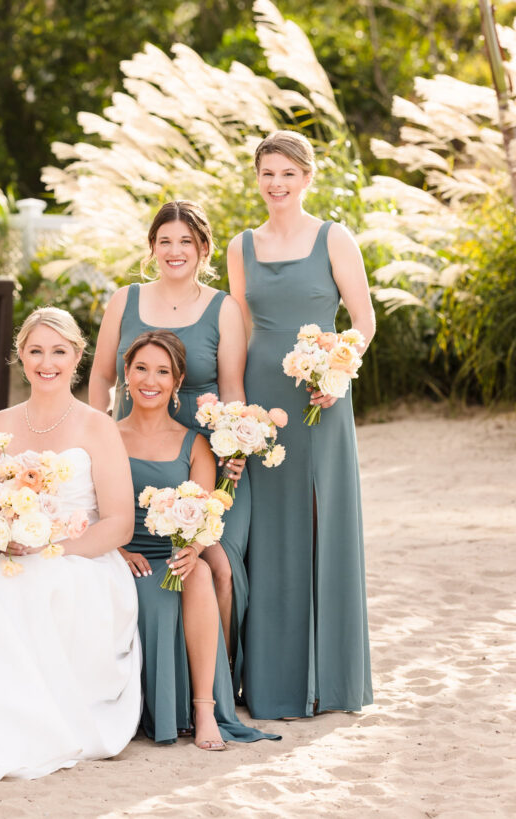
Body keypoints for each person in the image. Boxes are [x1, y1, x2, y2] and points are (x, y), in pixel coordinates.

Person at [0, 307, 142, 780]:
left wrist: (52, 547)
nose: (47, 362)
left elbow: (120, 525)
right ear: (20, 357)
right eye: (36, 351)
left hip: (80, 556)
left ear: (77, 357)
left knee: (32, 580)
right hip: (12, 549)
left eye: (59, 352)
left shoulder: (97, 425)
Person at [227, 130, 375, 719]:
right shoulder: (242, 245)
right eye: (267, 173)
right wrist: (237, 411)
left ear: (308, 178)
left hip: (323, 401)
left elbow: (361, 319)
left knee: (321, 523)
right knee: (268, 533)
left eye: (288, 173)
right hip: (261, 399)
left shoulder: (334, 237)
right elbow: (236, 328)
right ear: (257, 178)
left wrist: (336, 370)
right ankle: (272, 684)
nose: (277, 184)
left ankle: (331, 683)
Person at [90, 201, 250, 689]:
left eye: (187, 242)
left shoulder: (224, 308)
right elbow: (99, 378)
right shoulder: (125, 300)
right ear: (151, 248)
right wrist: (94, 448)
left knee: (216, 566)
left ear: (204, 248)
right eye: (165, 241)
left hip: (200, 466)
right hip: (128, 458)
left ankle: (216, 686)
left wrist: (235, 447)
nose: (175, 251)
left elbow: (233, 389)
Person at [116, 330, 278, 748]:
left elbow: (207, 513)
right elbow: (90, 510)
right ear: (127, 374)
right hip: (120, 552)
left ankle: (204, 710)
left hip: (173, 553)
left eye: (162, 372)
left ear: (177, 381)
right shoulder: (107, 436)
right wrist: (118, 550)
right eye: (141, 369)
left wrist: (192, 549)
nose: (150, 380)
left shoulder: (195, 443)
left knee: (202, 574)